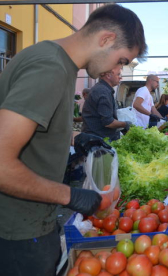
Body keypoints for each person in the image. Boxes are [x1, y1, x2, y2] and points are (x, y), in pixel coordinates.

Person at [0, 4, 147, 275]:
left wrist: (79, 138)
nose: (119, 70)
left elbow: (36, 128)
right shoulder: (50, 68)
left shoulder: (57, 62)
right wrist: (70, 195)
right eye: (122, 61)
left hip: (30, 221)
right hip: (17, 230)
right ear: (106, 39)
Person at [82, 65, 131, 141]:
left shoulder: (102, 89)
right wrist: (125, 124)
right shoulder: (103, 91)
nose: (120, 77)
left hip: (95, 137)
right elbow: (108, 122)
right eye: (118, 74)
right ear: (108, 75)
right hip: (97, 139)